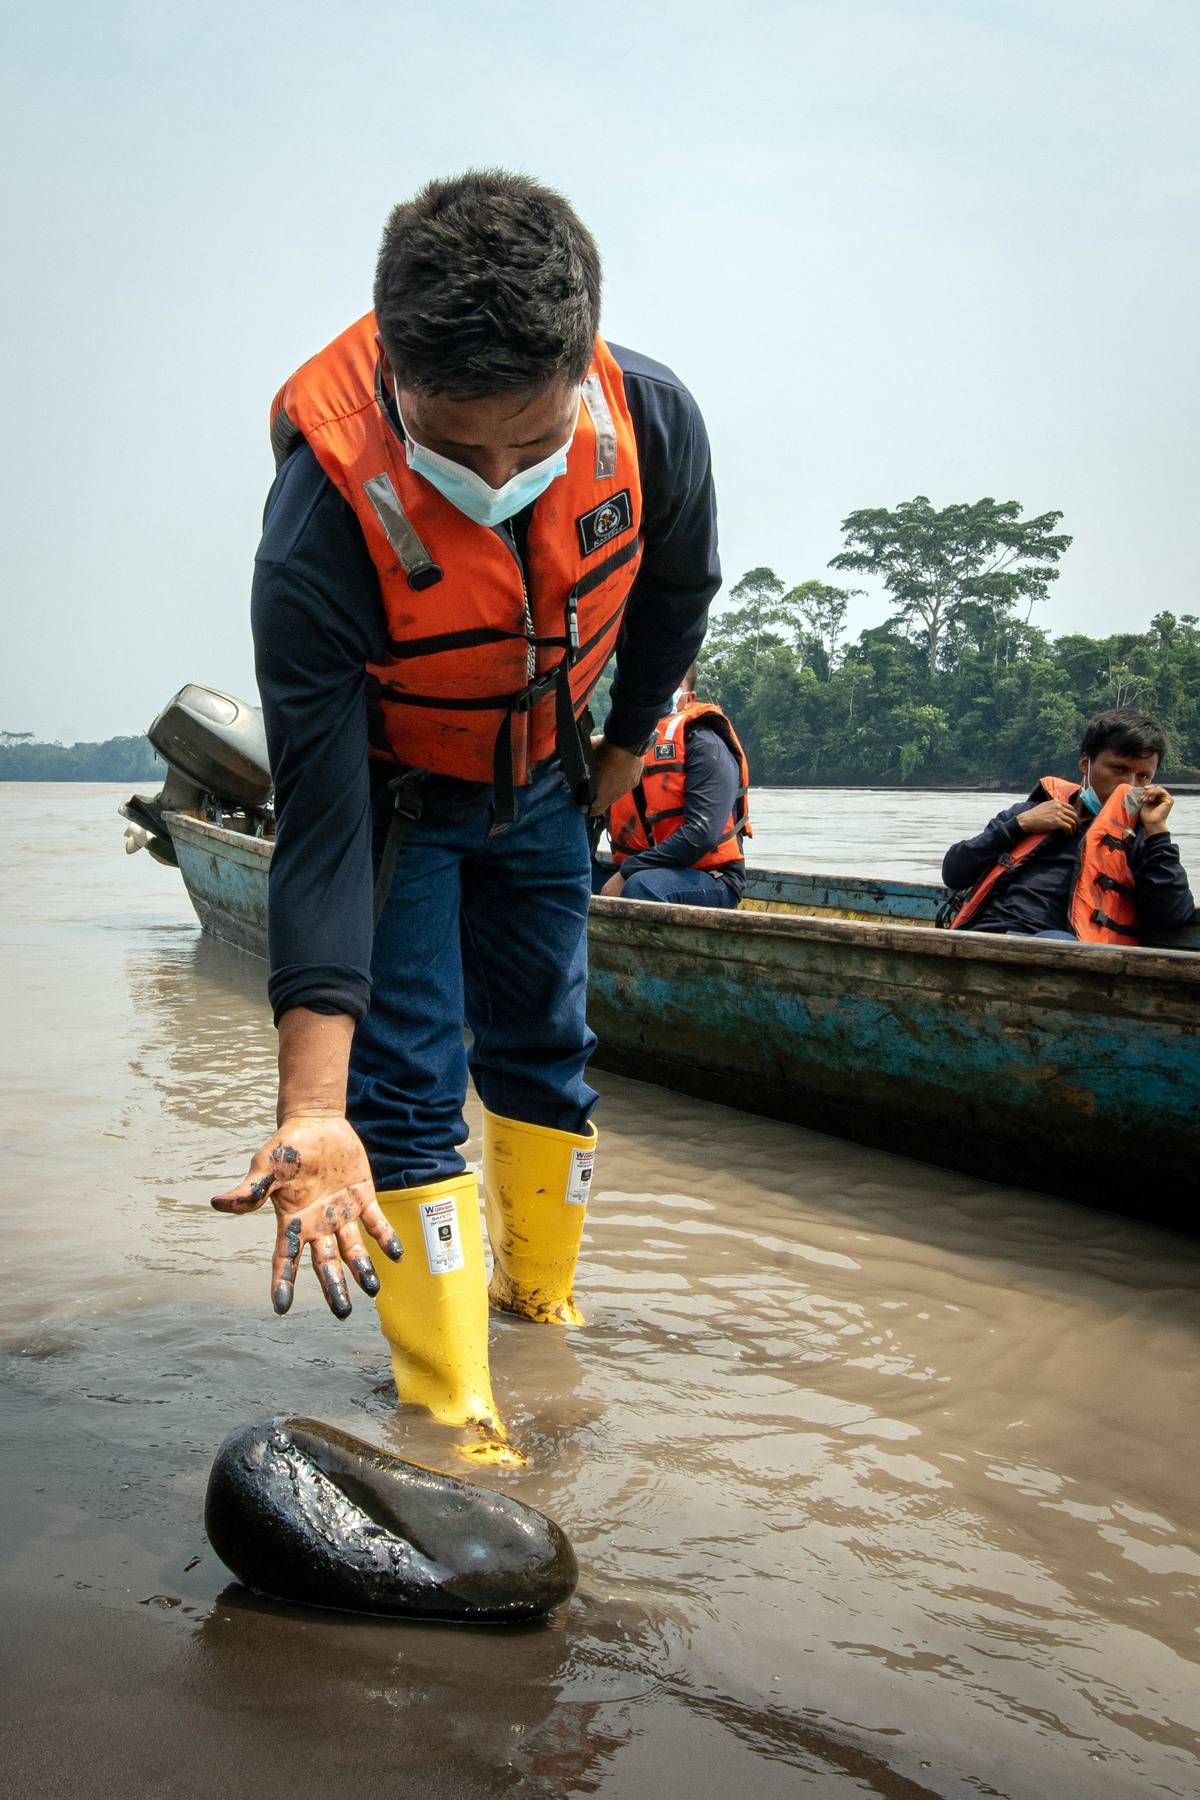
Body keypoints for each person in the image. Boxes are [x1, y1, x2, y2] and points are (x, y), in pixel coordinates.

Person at [209, 172, 720, 1452]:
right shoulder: (320, 527)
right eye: (457, 447)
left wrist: (619, 748)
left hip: (549, 774)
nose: (497, 474)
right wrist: (309, 1109)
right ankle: (453, 1404)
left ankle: (540, 1300)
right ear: (395, 382)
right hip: (397, 799)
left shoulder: (653, 421)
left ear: (583, 366)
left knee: (550, 1041)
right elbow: (318, 832)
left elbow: (673, 596)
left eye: (531, 444)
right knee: (411, 1079)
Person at [942, 708, 1194, 942]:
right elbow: (954, 872)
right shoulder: (1029, 813)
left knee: (1053, 943)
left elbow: (1171, 917)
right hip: (985, 936)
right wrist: (1019, 826)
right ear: (1086, 763)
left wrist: (1158, 832)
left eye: (1143, 777)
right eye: (1119, 769)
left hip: (1063, 955)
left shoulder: (1141, 838)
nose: (1130, 786)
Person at [594, 670, 750, 907]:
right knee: (568, 878)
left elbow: (701, 834)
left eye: (669, 684)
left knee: (640, 887)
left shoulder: (705, 743)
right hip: (639, 869)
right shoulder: (619, 750)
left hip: (711, 879)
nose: (655, 691)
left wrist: (628, 871)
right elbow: (588, 816)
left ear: (688, 697)